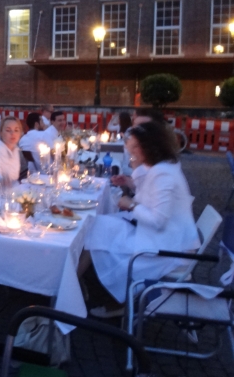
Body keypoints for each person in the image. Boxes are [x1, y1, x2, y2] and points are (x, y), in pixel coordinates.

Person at [81, 121, 200, 317]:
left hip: (168, 248)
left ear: (150, 147)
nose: (130, 149)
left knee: (100, 232)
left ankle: (115, 300)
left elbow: (158, 219)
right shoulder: (162, 168)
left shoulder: (164, 175)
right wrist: (131, 183)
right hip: (163, 235)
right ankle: (82, 286)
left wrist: (131, 204)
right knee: (97, 225)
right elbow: (154, 198)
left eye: (135, 146)